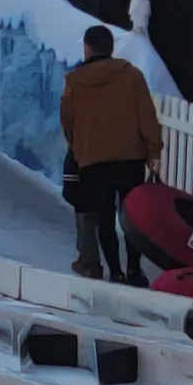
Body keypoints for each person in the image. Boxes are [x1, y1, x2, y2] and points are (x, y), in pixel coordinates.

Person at [60, 24, 163, 286]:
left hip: (94, 162)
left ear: (87, 48)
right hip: (131, 157)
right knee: (132, 216)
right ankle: (134, 271)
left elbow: (68, 123)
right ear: (111, 48)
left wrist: (81, 149)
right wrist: (153, 150)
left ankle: (115, 271)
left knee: (104, 218)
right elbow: (147, 117)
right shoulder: (132, 76)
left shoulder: (74, 82)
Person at [61, 152, 103, 280]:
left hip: (84, 183)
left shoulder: (77, 149)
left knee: (85, 213)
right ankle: (120, 269)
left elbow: (69, 191)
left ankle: (89, 261)